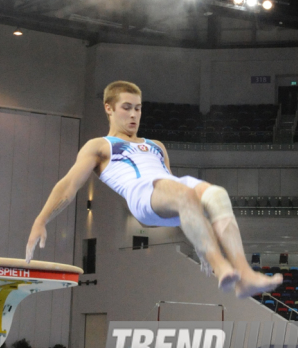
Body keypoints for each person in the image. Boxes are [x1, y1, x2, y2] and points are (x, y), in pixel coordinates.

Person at [26, 81, 283, 298]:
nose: (134, 115)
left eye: (138, 108)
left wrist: (200, 239)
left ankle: (245, 274)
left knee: (217, 195)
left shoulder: (156, 145)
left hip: (166, 191)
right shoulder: (100, 145)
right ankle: (220, 267)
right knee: (183, 192)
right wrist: (41, 219)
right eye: (126, 108)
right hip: (141, 195)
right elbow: (68, 185)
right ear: (109, 108)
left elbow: (180, 202)